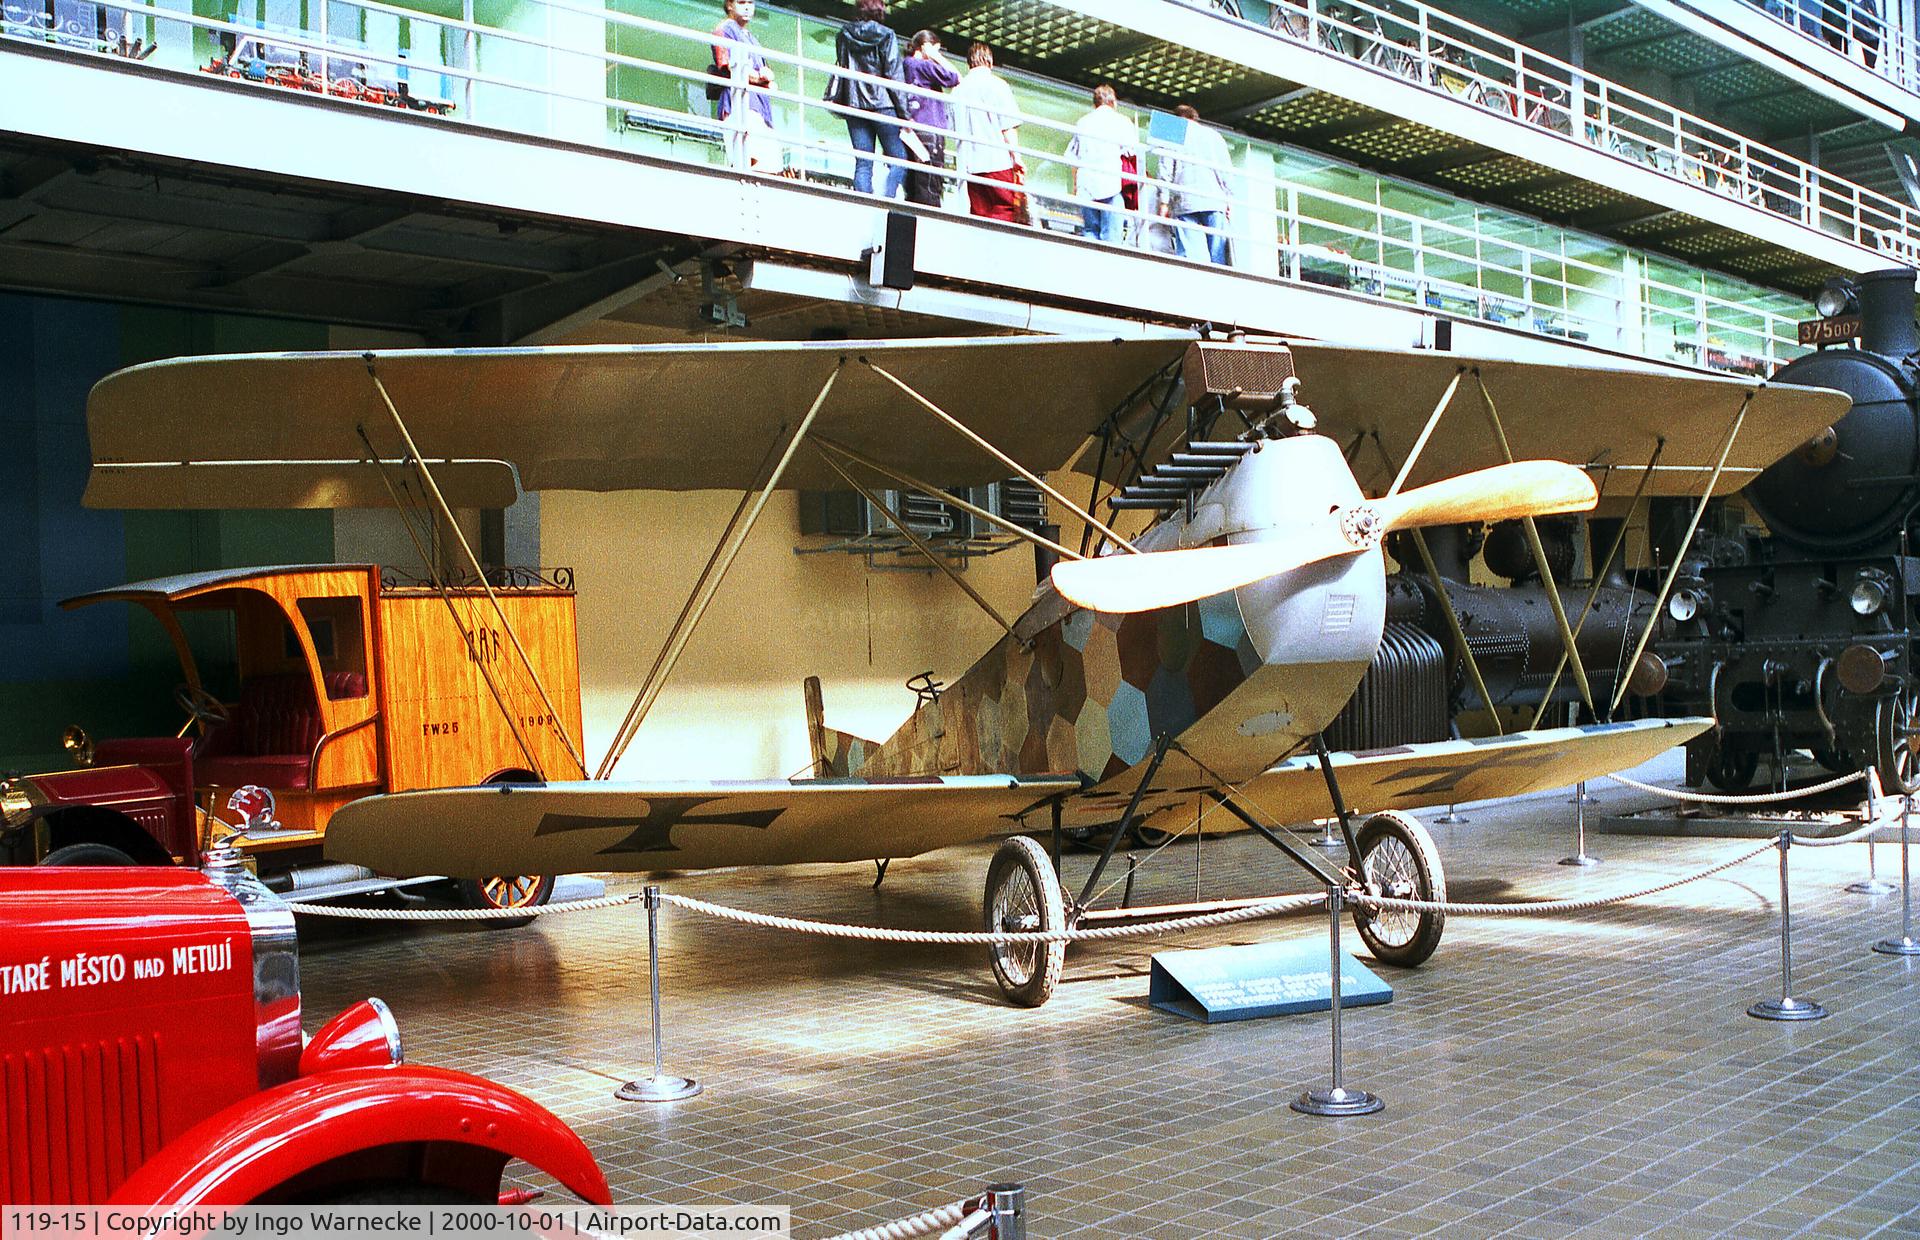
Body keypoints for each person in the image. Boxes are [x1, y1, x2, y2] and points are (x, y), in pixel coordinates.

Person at [825, 0, 911, 198]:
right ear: (880, 10)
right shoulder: (887, 35)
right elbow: (894, 75)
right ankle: (887, 198)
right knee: (899, 159)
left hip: (854, 104)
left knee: (863, 163)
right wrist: (905, 115)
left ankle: (864, 204)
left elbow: (844, 67)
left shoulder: (844, 34)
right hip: (883, 105)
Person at [950, 42, 1024, 223]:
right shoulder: (998, 86)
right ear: (990, 62)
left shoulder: (957, 91)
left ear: (970, 64)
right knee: (1005, 209)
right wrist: (1017, 158)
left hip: (970, 165)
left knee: (979, 214)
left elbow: (952, 128)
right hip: (996, 161)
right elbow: (1007, 126)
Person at [1158, 103, 1233, 265]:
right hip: (1214, 199)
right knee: (1217, 252)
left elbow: (1165, 170)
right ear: (1194, 117)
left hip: (1184, 199)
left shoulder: (1173, 131)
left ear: (1177, 119)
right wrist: (1228, 199)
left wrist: (1163, 201)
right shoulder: (1214, 136)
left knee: (1187, 251)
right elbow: (1226, 171)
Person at [710, 0, 779, 173]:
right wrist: (760, 79)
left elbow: (765, 73)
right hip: (739, 104)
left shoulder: (751, 38)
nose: (747, 6)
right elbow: (729, 66)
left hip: (759, 106)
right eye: (741, 2)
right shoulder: (724, 29)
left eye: (751, 2)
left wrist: (767, 77)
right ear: (730, 5)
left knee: (769, 165)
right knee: (748, 160)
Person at [1066, 84, 1136, 243]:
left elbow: (1073, 157)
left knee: (1090, 231)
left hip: (1086, 184)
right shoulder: (1122, 121)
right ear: (1114, 103)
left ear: (1094, 104)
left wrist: (1076, 186)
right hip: (1111, 183)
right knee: (1112, 235)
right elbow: (1132, 152)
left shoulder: (1083, 122)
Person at [900, 30, 959, 207]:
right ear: (925, 47)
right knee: (931, 187)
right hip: (929, 132)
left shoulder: (904, 65)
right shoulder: (923, 66)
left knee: (913, 188)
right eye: (937, 50)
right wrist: (935, 56)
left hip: (911, 132)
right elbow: (955, 77)